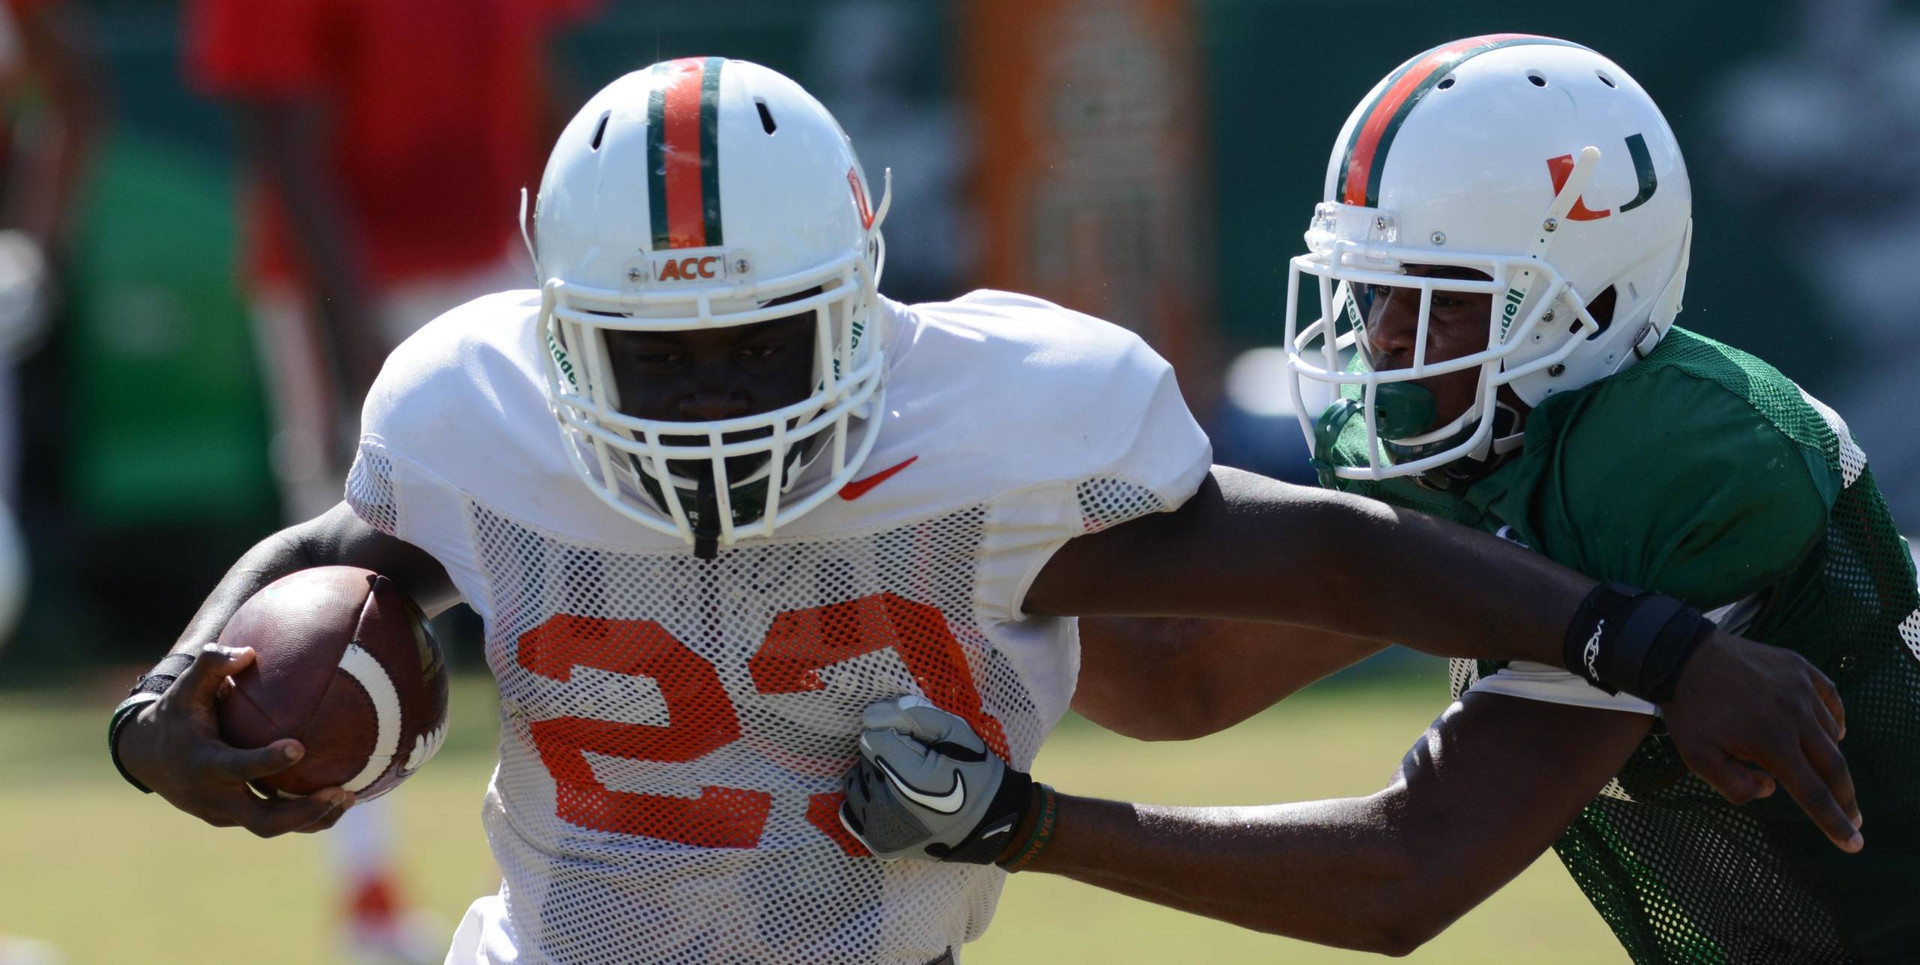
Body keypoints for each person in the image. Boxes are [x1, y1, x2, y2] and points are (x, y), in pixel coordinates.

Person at [111, 59, 1852, 964]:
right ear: (560, 334)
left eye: (758, 345)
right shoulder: (467, 406)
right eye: (659, 358)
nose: (717, 400)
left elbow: (1304, 559)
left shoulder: (1000, 421)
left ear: (862, 293)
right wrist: (172, 704)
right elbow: (343, 561)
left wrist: (1636, 634)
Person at [839, 35, 1918, 963]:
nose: (1384, 350)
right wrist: (951, 548)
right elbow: (1184, 676)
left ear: (1590, 298)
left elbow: (1406, 868)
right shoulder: (1489, 427)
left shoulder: (1682, 463)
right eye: (1370, 296)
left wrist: (1024, 825)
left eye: (1435, 307)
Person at [182, 2, 596, 957]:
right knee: (326, 613)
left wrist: (573, 264)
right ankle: (366, 894)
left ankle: (597, 859)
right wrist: (351, 329)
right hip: (353, 281)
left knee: (574, 558)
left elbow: (534, 78)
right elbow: (278, 122)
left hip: (504, 260)